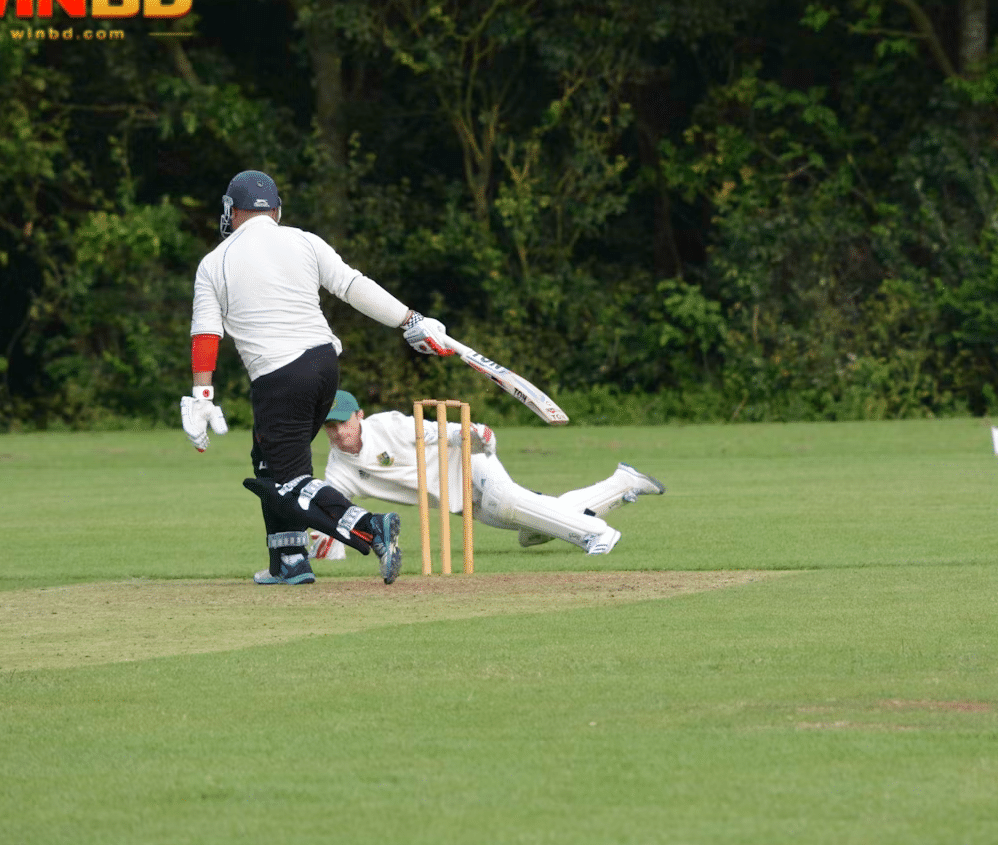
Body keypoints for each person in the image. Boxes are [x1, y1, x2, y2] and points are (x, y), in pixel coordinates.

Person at [180, 170, 455, 586]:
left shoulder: (214, 262)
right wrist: (410, 320)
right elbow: (353, 286)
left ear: (230, 212)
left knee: (288, 482)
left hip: (279, 375)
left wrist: (202, 395)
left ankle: (370, 527)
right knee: (270, 466)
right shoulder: (304, 240)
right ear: (275, 210)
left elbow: (206, 332)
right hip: (325, 366)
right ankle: (289, 560)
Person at [309, 390, 666, 561]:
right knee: (530, 529)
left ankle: (599, 534)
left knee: (508, 500)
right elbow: (330, 509)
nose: (340, 434)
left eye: (344, 423)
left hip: (467, 462)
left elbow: (439, 431)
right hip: (456, 501)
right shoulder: (339, 469)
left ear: (359, 415)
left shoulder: (388, 425)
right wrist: (322, 544)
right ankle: (623, 484)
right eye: (331, 428)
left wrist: (473, 434)